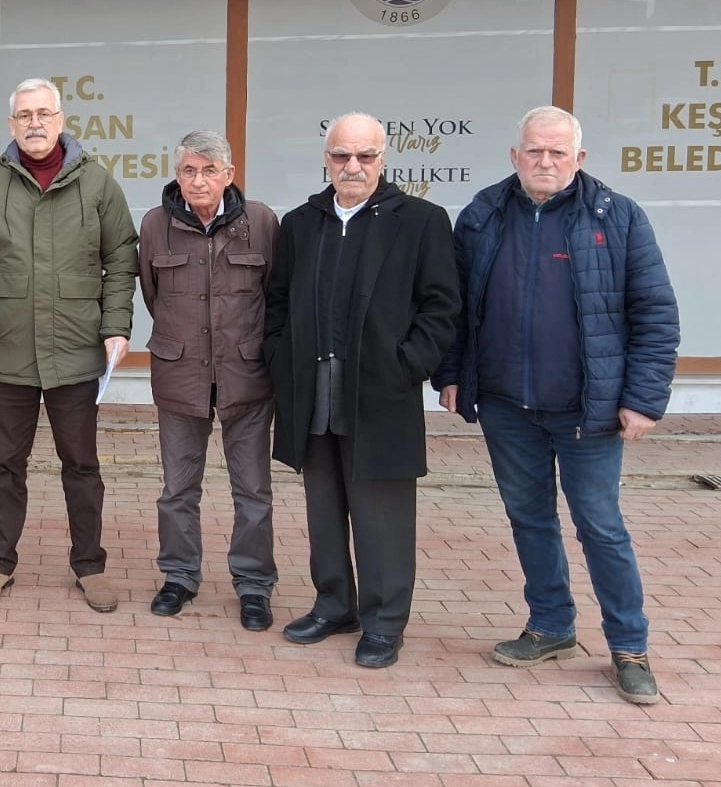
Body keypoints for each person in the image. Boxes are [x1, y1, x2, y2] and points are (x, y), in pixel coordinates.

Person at [433, 105, 679, 705]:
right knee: (530, 518)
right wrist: (451, 374)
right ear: (515, 155)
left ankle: (630, 647)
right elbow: (456, 307)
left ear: (579, 158)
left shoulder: (619, 218)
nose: (544, 162)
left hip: (587, 410)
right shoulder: (482, 215)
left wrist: (643, 400)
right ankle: (550, 625)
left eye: (557, 152)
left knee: (600, 526)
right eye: (534, 151)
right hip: (505, 405)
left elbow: (655, 314)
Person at [262, 112, 458, 668]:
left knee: (382, 515)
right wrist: (279, 358)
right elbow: (277, 302)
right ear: (326, 159)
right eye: (342, 155)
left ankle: (384, 622)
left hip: (381, 392)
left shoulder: (420, 221)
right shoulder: (302, 223)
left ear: (383, 159)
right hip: (312, 391)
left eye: (365, 155)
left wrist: (407, 364)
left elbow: (442, 306)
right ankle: (334, 605)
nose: (353, 166)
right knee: (324, 507)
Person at [0, 77, 139, 613]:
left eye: (44, 114)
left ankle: (90, 566)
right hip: (6, 351)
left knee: (81, 465)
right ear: (11, 124)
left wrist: (116, 325)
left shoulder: (97, 184)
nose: (35, 123)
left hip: (75, 351)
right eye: (25, 115)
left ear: (61, 120)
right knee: (4, 464)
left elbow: (121, 257)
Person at [138, 130, 279, 628]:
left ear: (229, 175)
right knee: (177, 489)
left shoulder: (261, 222)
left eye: (209, 170)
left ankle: (254, 585)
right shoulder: (155, 224)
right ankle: (179, 576)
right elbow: (153, 294)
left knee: (253, 490)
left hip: (246, 375)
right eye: (189, 171)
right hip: (180, 374)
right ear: (177, 176)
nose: (198, 180)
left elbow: (274, 295)